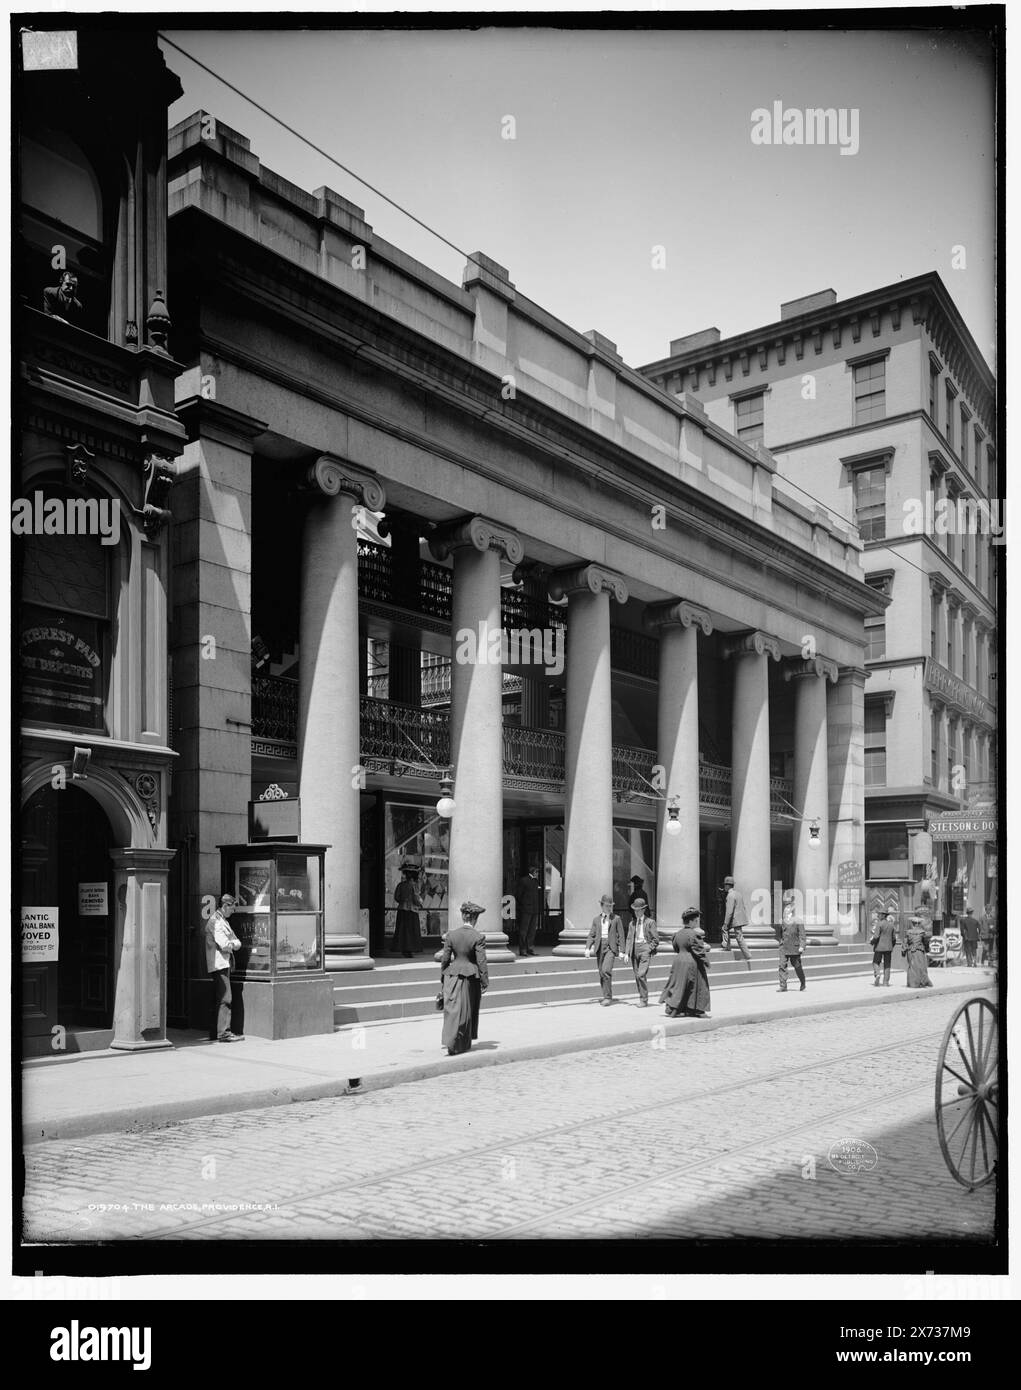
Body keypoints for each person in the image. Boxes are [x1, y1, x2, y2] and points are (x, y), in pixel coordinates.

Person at [439, 901, 489, 1055]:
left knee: (452, 1009)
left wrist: (443, 976)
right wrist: (485, 980)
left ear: (463, 916)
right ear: (475, 918)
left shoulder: (451, 935)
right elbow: (481, 961)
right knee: (467, 1010)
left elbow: (445, 959)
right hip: (469, 977)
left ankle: (453, 1041)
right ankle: (460, 1043)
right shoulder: (478, 937)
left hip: (452, 975)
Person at [204, 893, 244, 1042]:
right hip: (219, 963)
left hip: (222, 963)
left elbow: (235, 941)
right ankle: (224, 1033)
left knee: (221, 997)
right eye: (232, 908)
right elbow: (226, 945)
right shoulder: (217, 922)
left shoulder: (222, 920)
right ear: (225, 905)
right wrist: (233, 944)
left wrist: (233, 943)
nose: (233, 912)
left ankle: (216, 1033)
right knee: (226, 997)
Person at [659, 907, 711, 1017]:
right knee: (697, 985)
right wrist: (706, 961)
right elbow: (698, 951)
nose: (697, 922)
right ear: (691, 921)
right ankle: (698, 1010)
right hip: (691, 961)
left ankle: (678, 1008)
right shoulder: (693, 934)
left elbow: (676, 947)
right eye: (696, 921)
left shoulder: (677, 934)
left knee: (678, 985)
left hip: (678, 961)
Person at [585, 894, 626, 1006]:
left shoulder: (616, 919)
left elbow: (621, 935)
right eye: (607, 906)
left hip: (610, 948)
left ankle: (608, 997)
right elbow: (591, 935)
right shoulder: (596, 920)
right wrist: (588, 948)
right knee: (601, 973)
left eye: (610, 906)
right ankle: (605, 995)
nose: (609, 908)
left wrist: (622, 950)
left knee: (606, 970)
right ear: (602, 906)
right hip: (599, 948)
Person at [624, 896, 659, 1006]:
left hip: (645, 949)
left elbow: (656, 939)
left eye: (638, 910)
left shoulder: (650, 922)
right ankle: (642, 998)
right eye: (635, 910)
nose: (636, 912)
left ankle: (644, 1000)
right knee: (637, 976)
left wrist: (649, 948)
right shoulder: (632, 923)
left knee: (641, 974)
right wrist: (626, 952)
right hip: (634, 950)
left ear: (643, 910)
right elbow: (629, 938)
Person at [776, 889, 807, 992]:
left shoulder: (798, 920)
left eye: (788, 906)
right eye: (785, 906)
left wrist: (802, 946)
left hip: (794, 947)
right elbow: (779, 933)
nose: (786, 908)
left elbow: (802, 935)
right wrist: (780, 942)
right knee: (782, 965)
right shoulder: (782, 920)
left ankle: (802, 981)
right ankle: (783, 985)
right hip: (784, 946)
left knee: (797, 966)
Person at [393, 863, 423, 957]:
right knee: (411, 931)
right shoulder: (415, 886)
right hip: (412, 911)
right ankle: (409, 949)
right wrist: (420, 903)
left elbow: (396, 897)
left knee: (402, 931)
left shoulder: (400, 885)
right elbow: (416, 899)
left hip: (402, 910)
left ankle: (403, 948)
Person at [721, 875, 752, 968]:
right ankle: (727, 947)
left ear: (727, 886)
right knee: (728, 932)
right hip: (740, 918)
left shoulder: (730, 895)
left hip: (735, 919)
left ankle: (747, 955)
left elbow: (729, 911)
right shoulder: (738, 894)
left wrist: (726, 923)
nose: (724, 887)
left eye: (725, 885)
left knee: (738, 936)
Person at [515, 865, 541, 957]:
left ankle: (530, 948)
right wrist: (524, 905)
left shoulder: (535, 881)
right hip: (526, 910)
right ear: (534, 872)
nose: (538, 874)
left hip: (534, 910)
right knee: (524, 930)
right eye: (537, 872)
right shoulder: (524, 880)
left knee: (532, 931)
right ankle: (522, 950)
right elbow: (518, 894)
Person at [870, 908, 898, 987]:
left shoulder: (879, 924)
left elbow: (876, 937)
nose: (878, 916)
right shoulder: (891, 925)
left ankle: (878, 974)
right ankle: (886, 982)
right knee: (887, 965)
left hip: (879, 947)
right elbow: (894, 939)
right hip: (888, 948)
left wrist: (872, 942)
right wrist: (891, 946)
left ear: (883, 915)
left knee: (875, 962)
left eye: (879, 914)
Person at [903, 916, 933, 988]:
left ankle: (912, 983)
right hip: (919, 951)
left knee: (912, 966)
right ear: (919, 924)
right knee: (921, 966)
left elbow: (905, 942)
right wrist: (927, 949)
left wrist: (904, 950)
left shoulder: (908, 932)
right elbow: (926, 942)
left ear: (912, 924)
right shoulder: (922, 932)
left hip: (910, 951)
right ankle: (922, 982)